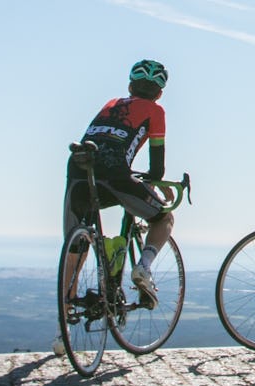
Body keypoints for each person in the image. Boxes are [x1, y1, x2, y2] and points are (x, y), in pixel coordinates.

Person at [63, 59, 174, 311]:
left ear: (130, 87)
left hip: (78, 169)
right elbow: (156, 169)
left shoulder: (110, 105)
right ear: (159, 93)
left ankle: (64, 326)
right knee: (164, 218)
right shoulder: (156, 111)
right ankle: (142, 268)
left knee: (74, 248)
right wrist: (156, 182)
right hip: (115, 175)